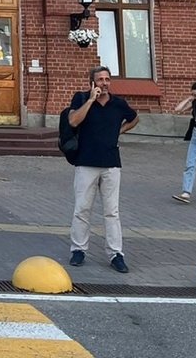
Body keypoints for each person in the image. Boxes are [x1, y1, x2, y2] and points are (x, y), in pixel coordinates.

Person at [67, 66, 138, 274]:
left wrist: (120, 131)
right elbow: (73, 121)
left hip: (111, 163)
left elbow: (134, 118)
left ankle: (116, 253)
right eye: (100, 80)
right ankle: (78, 249)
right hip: (86, 162)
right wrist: (90, 100)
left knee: (112, 212)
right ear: (92, 82)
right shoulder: (80, 98)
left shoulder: (118, 104)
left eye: (107, 79)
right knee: (82, 209)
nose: (104, 83)